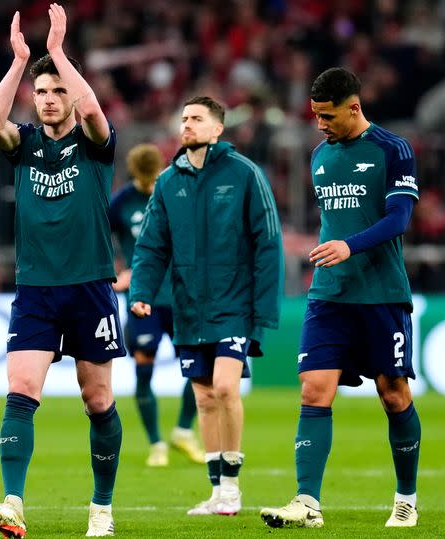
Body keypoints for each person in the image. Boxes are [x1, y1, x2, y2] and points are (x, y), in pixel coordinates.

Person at [0, 4, 124, 537]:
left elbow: (94, 115)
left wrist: (59, 53)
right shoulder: (25, 147)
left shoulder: (94, 146)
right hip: (35, 288)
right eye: (42, 92)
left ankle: (101, 508)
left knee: (97, 399)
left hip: (89, 285)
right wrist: (21, 62)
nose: (48, 99)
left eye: (57, 90)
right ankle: (13, 502)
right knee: (21, 389)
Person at [260, 67, 421, 529]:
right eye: (314, 115)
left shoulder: (393, 150)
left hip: (381, 294)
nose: (319, 124)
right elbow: (338, 219)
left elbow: (399, 218)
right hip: (329, 294)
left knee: (393, 395)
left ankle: (405, 498)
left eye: (327, 115)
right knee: (314, 387)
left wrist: (351, 246)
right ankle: (307, 502)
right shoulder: (319, 156)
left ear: (354, 106)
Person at [129, 96, 283, 517]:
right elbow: (151, 245)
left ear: (218, 128)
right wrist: (140, 291)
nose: (188, 125)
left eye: (197, 118)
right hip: (188, 307)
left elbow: (269, 242)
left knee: (226, 387)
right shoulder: (167, 181)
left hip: (233, 303)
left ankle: (232, 487)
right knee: (204, 398)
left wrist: (264, 311)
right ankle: (217, 492)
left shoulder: (245, 173)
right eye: (184, 119)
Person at [108, 143, 203, 467]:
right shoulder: (122, 201)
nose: (151, 184)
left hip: (180, 296)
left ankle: (183, 431)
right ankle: (156, 443)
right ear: (136, 173)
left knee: (196, 367)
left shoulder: (176, 193)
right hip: (143, 298)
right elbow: (97, 236)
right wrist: (115, 271)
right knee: (144, 368)